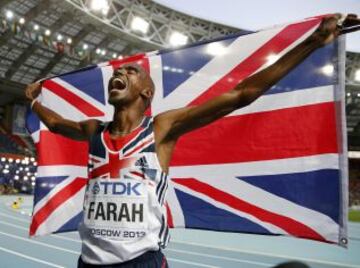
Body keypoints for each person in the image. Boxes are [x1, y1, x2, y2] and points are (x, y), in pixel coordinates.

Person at [26, 14, 360, 268]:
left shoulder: (161, 128)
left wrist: (313, 42)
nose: (121, 73)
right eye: (120, 72)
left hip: (140, 261)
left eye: (131, 72)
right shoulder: (93, 131)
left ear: (146, 92)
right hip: (89, 261)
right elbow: (55, 124)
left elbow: (241, 94)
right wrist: (34, 101)